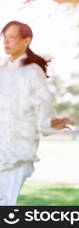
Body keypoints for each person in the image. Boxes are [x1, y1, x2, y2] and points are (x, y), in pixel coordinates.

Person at [0, 20, 73, 206]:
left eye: (12, 38)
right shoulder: (2, 71)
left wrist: (50, 124)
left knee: (6, 201)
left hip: (18, 149)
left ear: (26, 41)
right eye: (4, 37)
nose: (6, 42)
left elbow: (44, 104)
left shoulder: (33, 72)